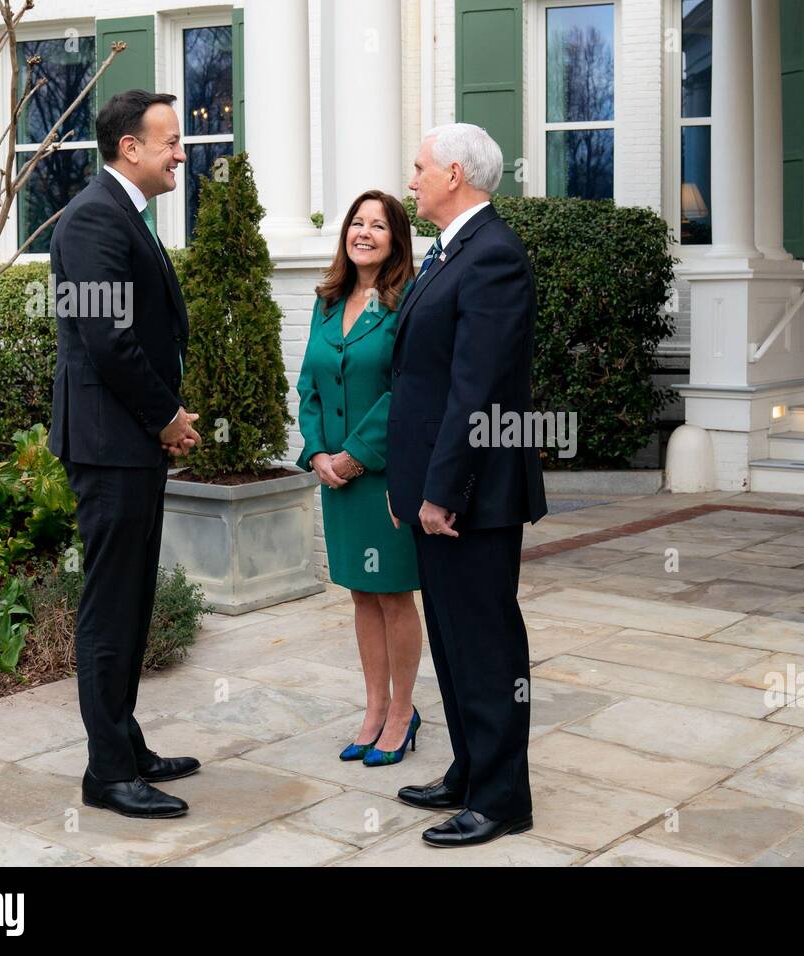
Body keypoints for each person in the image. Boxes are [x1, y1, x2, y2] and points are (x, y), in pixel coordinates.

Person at [387, 123, 548, 848]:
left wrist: (443, 490)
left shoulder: (493, 257)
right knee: (452, 640)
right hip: (439, 486)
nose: (411, 178)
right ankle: (470, 769)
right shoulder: (448, 253)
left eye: (420, 167)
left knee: (484, 645)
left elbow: (477, 389)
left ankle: (503, 797)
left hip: (471, 494)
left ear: (455, 173)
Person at [49, 90, 203, 820]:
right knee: (111, 608)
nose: (183, 152)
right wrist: (167, 415)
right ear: (129, 148)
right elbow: (109, 342)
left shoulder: (122, 216)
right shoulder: (90, 221)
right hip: (112, 446)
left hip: (130, 444)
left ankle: (125, 742)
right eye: (171, 140)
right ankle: (108, 775)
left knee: (134, 600)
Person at [297, 190, 422, 767]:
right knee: (360, 595)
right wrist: (318, 451)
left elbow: (407, 391)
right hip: (335, 478)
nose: (364, 232)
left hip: (382, 476)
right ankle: (374, 708)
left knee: (393, 595)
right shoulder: (327, 301)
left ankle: (403, 713)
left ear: (396, 239)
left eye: (378, 225)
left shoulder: (406, 304)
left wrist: (354, 456)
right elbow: (309, 385)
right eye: (356, 222)